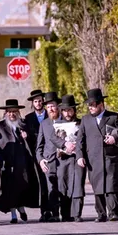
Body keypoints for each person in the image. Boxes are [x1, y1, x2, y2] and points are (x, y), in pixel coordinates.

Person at [76, 88, 118, 222]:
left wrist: (115, 138)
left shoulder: (113, 117)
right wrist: (79, 156)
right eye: (89, 105)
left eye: (93, 105)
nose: (90, 108)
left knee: (111, 185)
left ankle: (113, 212)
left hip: (110, 157)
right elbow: (80, 140)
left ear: (101, 104)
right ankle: (101, 213)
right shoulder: (85, 119)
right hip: (93, 159)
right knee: (97, 187)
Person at [0, 99, 41, 223]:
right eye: (9, 112)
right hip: (7, 164)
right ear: (5, 113)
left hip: (23, 163)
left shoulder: (23, 125)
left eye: (14, 111)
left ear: (18, 112)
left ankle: (21, 208)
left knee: (22, 187)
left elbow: (35, 142)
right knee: (9, 189)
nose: (12, 114)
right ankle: (13, 214)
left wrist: (27, 137)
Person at [35, 92, 67, 222]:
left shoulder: (65, 121)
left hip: (64, 160)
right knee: (51, 189)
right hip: (49, 161)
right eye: (48, 107)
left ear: (58, 106)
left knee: (63, 188)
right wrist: (40, 160)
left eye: (53, 106)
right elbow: (39, 146)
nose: (51, 109)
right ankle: (54, 214)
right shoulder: (44, 124)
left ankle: (66, 214)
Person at [56, 94, 86, 222]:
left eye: (70, 110)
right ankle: (65, 214)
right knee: (63, 185)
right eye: (65, 111)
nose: (67, 113)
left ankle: (77, 214)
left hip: (78, 158)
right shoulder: (57, 125)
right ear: (61, 111)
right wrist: (64, 145)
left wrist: (77, 147)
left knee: (78, 185)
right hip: (62, 159)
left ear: (74, 110)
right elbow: (53, 140)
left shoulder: (81, 123)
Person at [24, 89, 49, 213]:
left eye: (40, 101)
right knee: (41, 183)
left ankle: (54, 210)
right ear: (32, 103)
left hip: (50, 152)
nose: (38, 103)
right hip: (36, 155)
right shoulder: (28, 118)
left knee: (52, 181)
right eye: (35, 101)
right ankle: (44, 211)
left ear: (43, 101)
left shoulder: (50, 114)